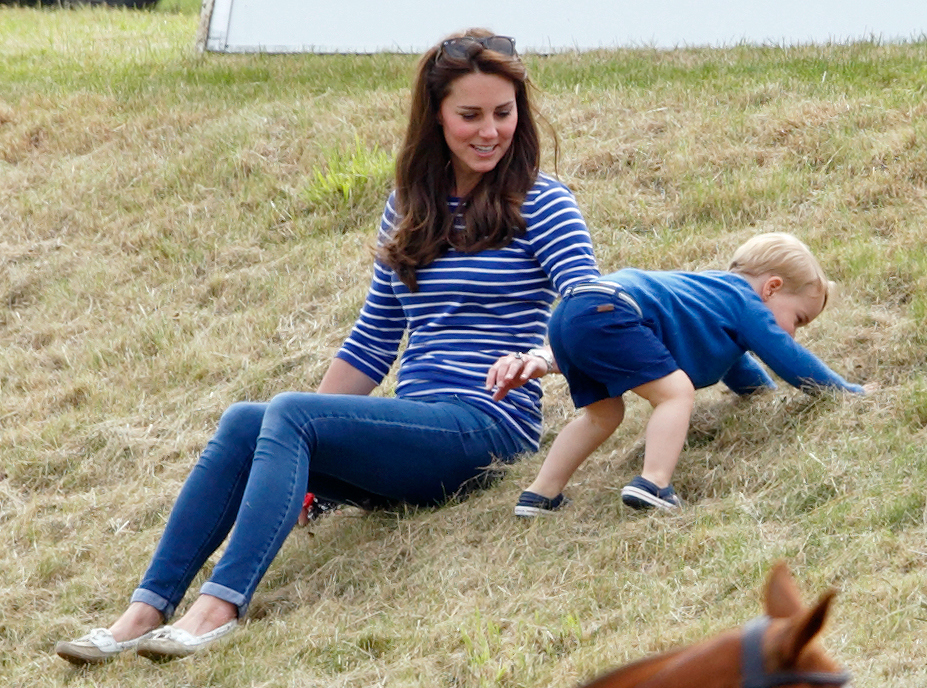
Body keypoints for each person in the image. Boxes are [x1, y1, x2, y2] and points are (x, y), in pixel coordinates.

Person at [54, 29, 598, 665]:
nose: (490, 131)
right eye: (470, 115)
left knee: (290, 411)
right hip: (419, 426)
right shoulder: (410, 205)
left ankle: (218, 608)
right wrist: (290, 445)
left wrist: (544, 357)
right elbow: (373, 340)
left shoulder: (543, 201)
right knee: (248, 420)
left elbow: (591, 306)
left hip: (488, 426)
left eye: (503, 113)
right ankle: (142, 613)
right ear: (436, 116)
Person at [500, 232, 876, 517]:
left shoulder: (711, 298)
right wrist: (846, 391)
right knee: (676, 393)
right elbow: (789, 358)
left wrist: (762, 393)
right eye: (799, 319)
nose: (793, 332)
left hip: (568, 314)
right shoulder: (744, 301)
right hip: (609, 309)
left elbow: (734, 365)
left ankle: (541, 494)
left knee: (602, 415)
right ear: (771, 288)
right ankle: (654, 483)